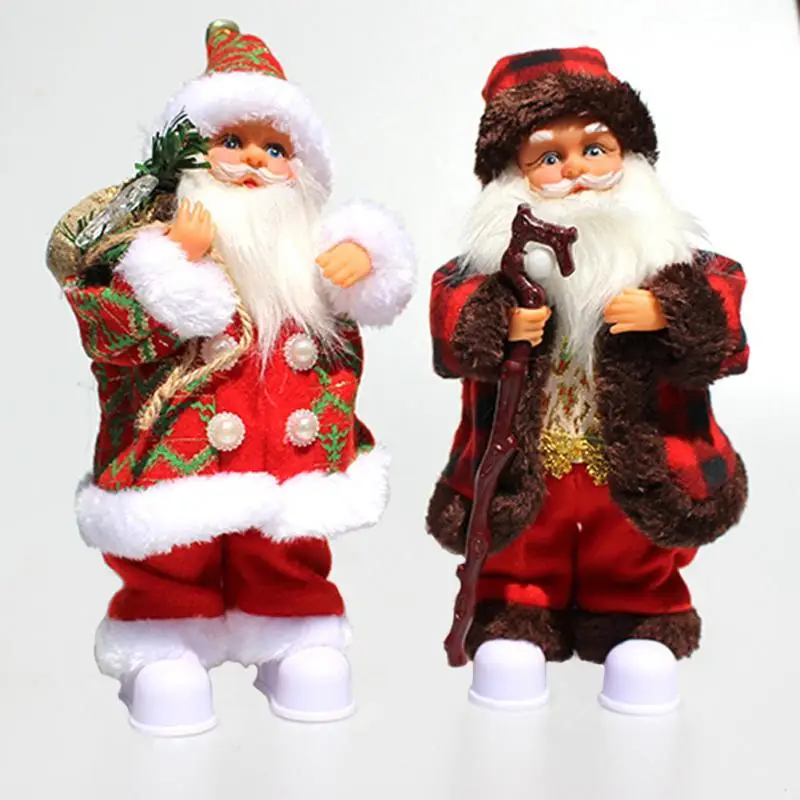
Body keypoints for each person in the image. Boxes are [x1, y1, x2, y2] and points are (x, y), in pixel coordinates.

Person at [49, 19, 415, 735]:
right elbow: (108, 337)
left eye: (275, 149)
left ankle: (292, 626)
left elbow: (356, 303)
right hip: (176, 453)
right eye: (232, 142)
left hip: (286, 450)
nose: (253, 160)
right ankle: (163, 634)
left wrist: (363, 262)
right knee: (171, 549)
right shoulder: (145, 249)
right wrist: (173, 272)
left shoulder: (307, 249)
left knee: (285, 545)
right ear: (190, 154)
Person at [427, 47, 748, 715]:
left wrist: (669, 312)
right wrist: (498, 322)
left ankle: (637, 614)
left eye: (595, 149)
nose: (574, 170)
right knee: (522, 538)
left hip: (635, 456)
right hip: (528, 457)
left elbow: (726, 318)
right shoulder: (492, 269)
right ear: (512, 176)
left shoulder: (668, 256)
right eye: (549, 157)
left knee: (632, 542)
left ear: (629, 157)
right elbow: (450, 317)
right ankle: (518, 611)